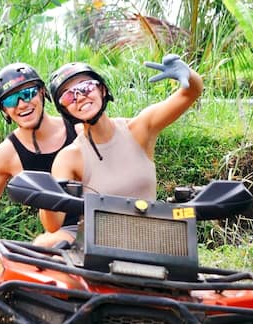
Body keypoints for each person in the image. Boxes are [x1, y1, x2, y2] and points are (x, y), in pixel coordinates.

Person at [35, 54, 203, 246]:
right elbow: (53, 225)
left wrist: (188, 75)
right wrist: (44, 195)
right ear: (64, 109)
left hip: (151, 240)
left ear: (102, 89)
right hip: (99, 245)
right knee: (44, 243)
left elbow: (191, 93)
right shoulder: (70, 157)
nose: (79, 97)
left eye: (86, 87)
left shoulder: (139, 129)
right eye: (68, 96)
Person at [0, 62, 78, 266]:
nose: (22, 104)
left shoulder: (79, 128)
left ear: (42, 92)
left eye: (27, 94)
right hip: (60, 233)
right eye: (11, 100)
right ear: (4, 110)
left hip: (102, 220)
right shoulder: (6, 155)